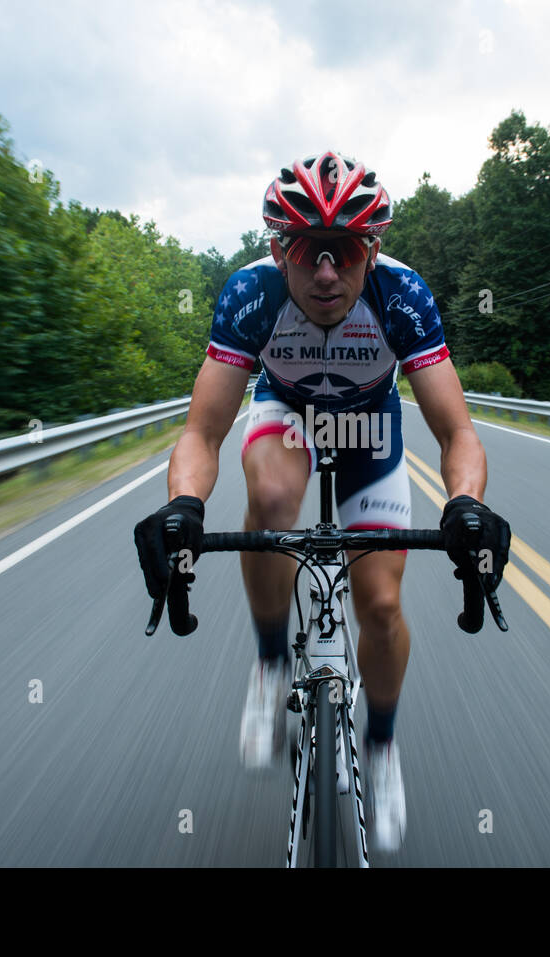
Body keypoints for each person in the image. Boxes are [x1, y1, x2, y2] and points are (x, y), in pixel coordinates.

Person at [134, 150, 510, 852]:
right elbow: (202, 431)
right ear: (280, 249)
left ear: (374, 248)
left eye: (346, 250)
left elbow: (457, 431)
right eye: (309, 250)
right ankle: (273, 660)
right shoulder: (251, 293)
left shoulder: (403, 295)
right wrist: (183, 506)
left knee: (383, 605)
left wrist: (465, 504)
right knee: (273, 493)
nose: (328, 272)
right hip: (287, 412)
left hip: (371, 427)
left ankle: (385, 744)